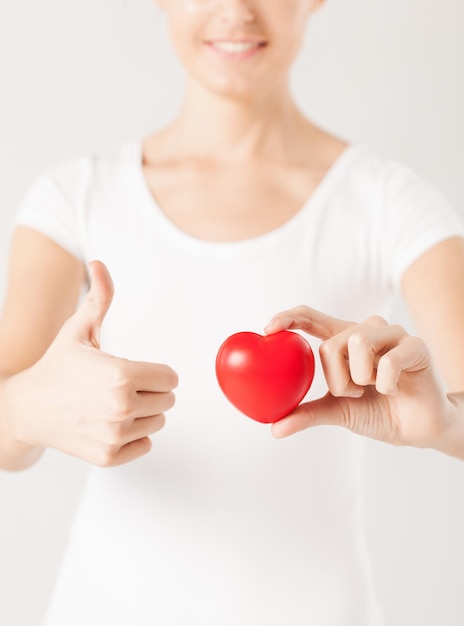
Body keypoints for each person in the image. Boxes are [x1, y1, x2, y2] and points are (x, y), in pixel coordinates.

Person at [0, 0, 463, 624]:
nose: (236, 11)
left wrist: (443, 425)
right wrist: (29, 408)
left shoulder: (390, 202)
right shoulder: (73, 197)